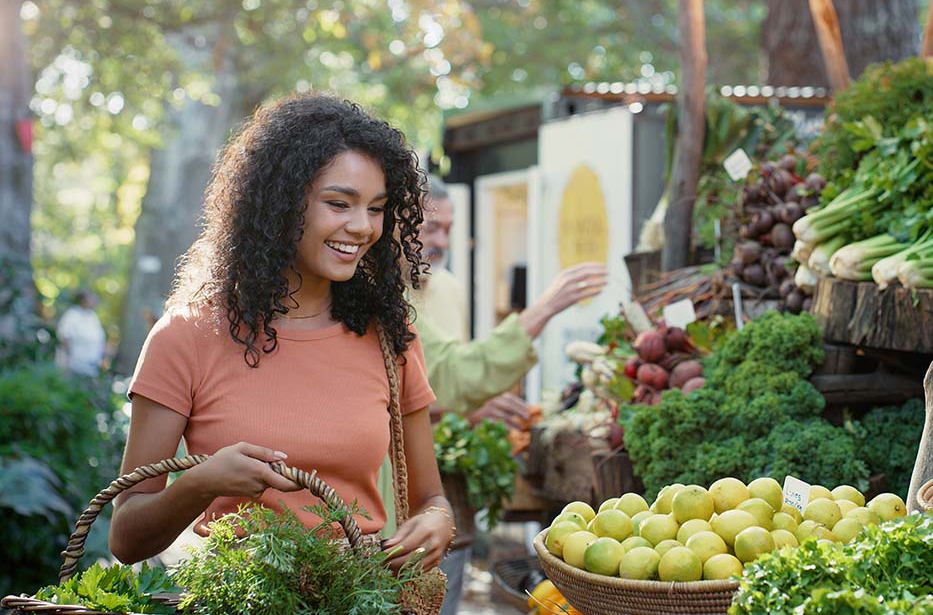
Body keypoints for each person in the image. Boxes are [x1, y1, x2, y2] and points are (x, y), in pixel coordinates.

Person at [110, 94, 454, 578]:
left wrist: (437, 522)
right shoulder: (186, 337)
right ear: (280, 203)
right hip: (233, 600)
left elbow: (430, 498)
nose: (361, 227)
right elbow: (125, 538)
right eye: (339, 204)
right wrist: (200, 484)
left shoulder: (388, 336)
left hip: (358, 602)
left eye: (376, 209)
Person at [407, 178, 606, 615]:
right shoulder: (390, 296)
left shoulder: (450, 289)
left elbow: (452, 380)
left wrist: (471, 408)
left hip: (447, 484)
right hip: (401, 489)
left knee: (446, 595)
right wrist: (542, 311)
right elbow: (446, 384)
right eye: (430, 228)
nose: (441, 241)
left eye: (448, 229)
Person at [56, 289, 106, 377]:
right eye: (91, 298)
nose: (94, 300)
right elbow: (64, 337)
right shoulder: (72, 315)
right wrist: (66, 362)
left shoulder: (92, 316)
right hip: (73, 366)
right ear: (83, 299)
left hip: (90, 367)